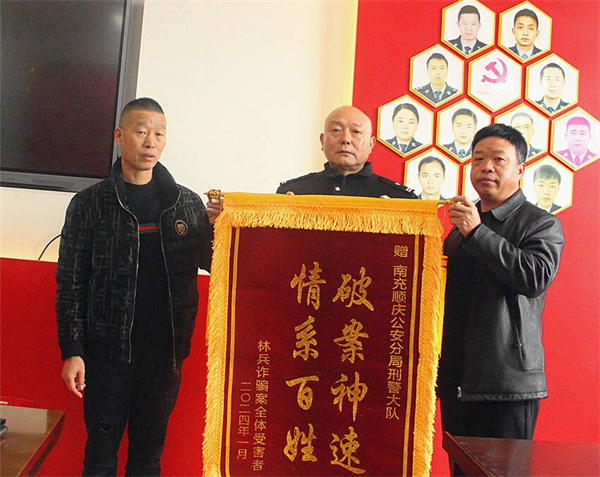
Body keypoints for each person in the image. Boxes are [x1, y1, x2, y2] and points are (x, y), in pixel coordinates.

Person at [56, 97, 221, 476]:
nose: (151, 142)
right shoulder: (90, 204)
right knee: (100, 457)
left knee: (148, 459)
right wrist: (73, 351)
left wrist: (219, 229)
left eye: (159, 134)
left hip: (165, 356)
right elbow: (70, 282)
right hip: (106, 355)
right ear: (120, 136)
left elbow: (213, 263)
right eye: (142, 131)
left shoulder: (185, 203)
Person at [439, 124, 564, 451]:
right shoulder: (463, 225)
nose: (486, 167)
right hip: (457, 380)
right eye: (478, 159)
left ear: (520, 169)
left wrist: (477, 232)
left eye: (498, 159)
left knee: (503, 471)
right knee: (461, 470)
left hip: (506, 384)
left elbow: (534, 277)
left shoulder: (541, 223)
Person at [277, 105, 416, 198]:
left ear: (370, 144)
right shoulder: (294, 193)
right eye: (336, 130)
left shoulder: (399, 198)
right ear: (322, 141)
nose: (346, 139)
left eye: (356, 132)